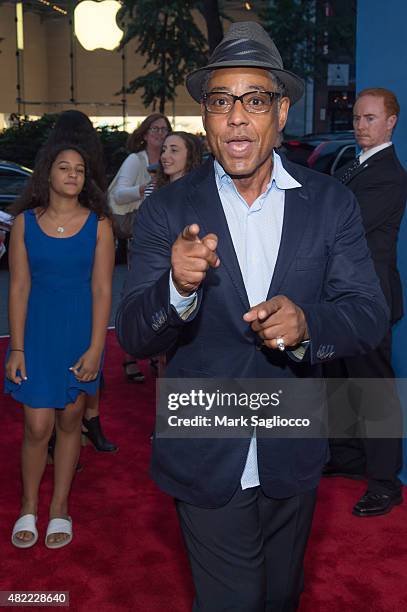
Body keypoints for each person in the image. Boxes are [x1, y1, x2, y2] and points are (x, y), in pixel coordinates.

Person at [116, 22, 388, 611]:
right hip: (203, 437)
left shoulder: (331, 202)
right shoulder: (167, 209)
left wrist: (309, 324)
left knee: (280, 597)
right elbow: (135, 335)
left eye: (255, 99)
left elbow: (369, 313)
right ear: (207, 119)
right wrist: (177, 287)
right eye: (221, 101)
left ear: (281, 111)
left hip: (293, 436)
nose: (238, 115)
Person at [5, 143, 114, 549]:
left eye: (80, 170)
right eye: (64, 168)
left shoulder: (99, 225)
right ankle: (28, 504)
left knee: (70, 423)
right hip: (36, 335)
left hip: (79, 336)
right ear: (47, 174)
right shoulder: (24, 224)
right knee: (37, 426)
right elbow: (18, 288)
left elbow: (103, 290)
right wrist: (16, 348)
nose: (72, 175)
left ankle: (59, 508)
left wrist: (96, 349)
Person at [324, 88, 407, 517]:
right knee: (337, 379)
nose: (360, 125)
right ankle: (347, 456)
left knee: (374, 389)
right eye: (356, 118)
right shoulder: (356, 164)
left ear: (391, 122)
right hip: (341, 298)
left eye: (370, 118)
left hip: (369, 299)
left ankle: (385, 483)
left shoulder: (390, 174)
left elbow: (345, 225)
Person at [46, 109, 117, 453]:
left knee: (76, 352)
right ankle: (86, 422)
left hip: (72, 272)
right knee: (87, 347)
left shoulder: (59, 163)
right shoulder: (88, 169)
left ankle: (73, 429)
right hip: (83, 279)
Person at [109, 113, 171, 383]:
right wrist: (145, 188)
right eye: (154, 129)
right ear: (145, 134)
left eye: (164, 129)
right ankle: (130, 356)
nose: (159, 133)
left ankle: (159, 357)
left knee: (164, 295)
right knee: (139, 293)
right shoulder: (136, 160)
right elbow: (118, 194)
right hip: (140, 238)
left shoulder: (171, 158)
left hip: (166, 238)